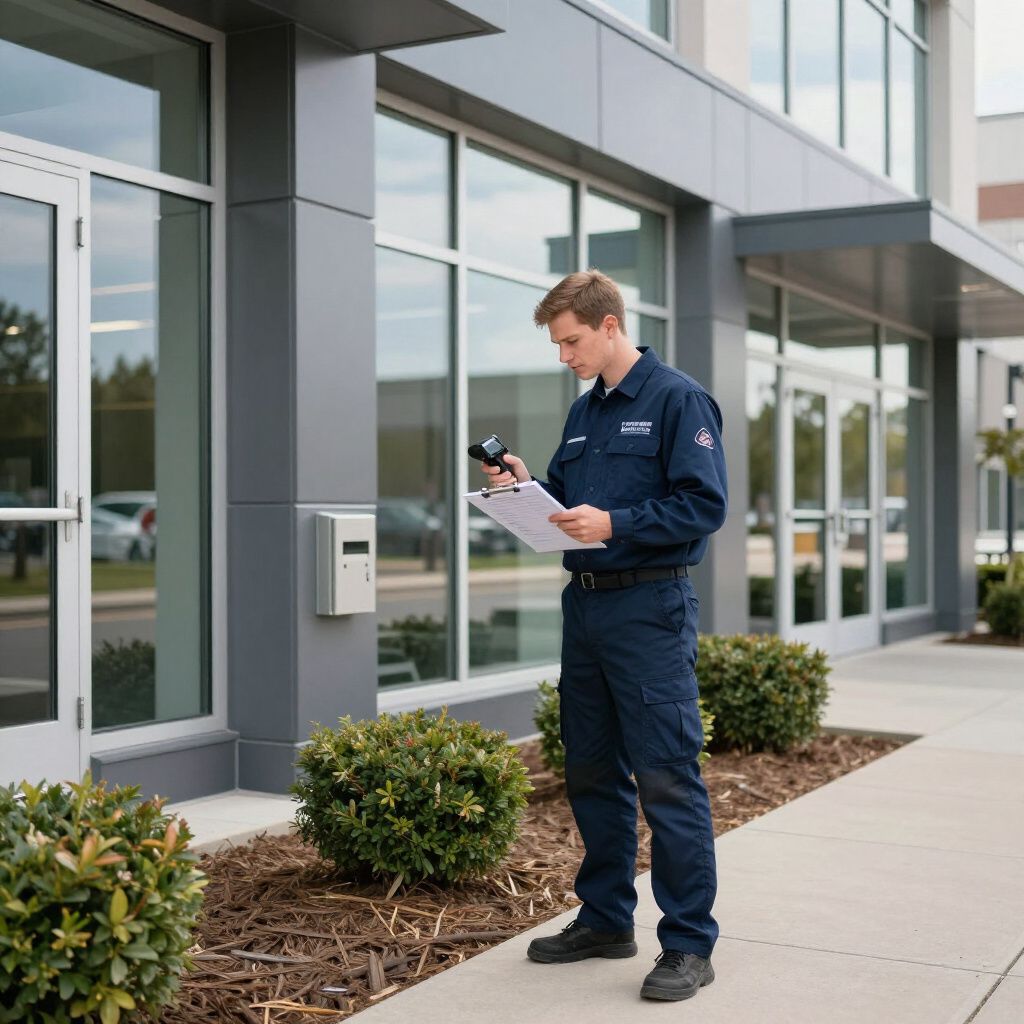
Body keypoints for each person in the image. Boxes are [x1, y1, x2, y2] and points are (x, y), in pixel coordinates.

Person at [479, 270, 727, 1002]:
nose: (565, 357)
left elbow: (703, 506)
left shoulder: (678, 399)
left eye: (572, 342)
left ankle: (687, 943)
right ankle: (606, 920)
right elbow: (566, 502)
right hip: (585, 611)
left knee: (666, 777)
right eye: (558, 345)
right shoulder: (584, 412)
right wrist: (525, 485)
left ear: (610, 324)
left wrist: (617, 524)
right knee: (590, 770)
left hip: (650, 613)